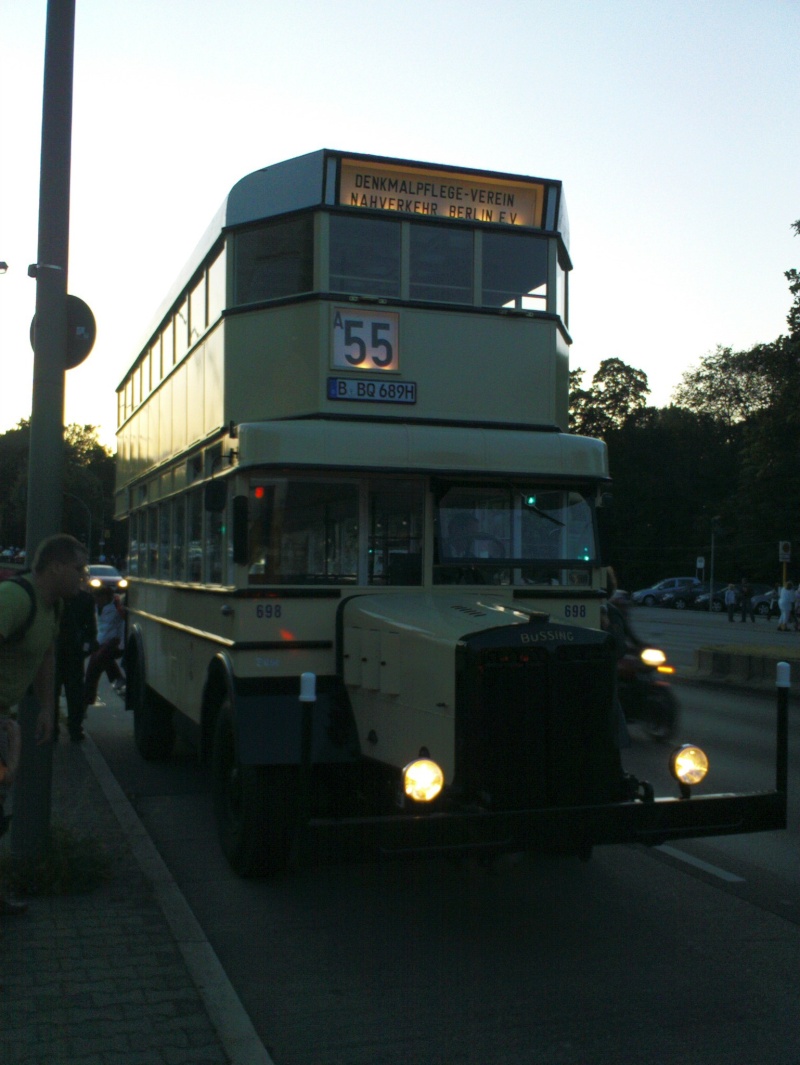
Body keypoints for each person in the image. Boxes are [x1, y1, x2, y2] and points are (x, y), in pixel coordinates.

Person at [0, 533, 87, 916]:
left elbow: (47, 652)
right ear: (54, 567)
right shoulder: (15, 599)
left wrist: (47, 709)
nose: (83, 578)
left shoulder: (54, 608)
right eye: (78, 569)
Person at [54, 582, 97, 743]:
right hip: (74, 651)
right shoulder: (85, 599)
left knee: (54, 691)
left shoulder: (53, 597)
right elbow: (91, 629)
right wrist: (86, 646)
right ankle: (75, 729)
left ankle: (54, 730)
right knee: (74, 692)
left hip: (56, 650)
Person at [83, 586, 126, 709]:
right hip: (100, 642)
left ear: (105, 597)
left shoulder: (116, 606)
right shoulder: (96, 607)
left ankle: (86, 700)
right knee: (96, 667)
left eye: (99, 598)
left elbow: (124, 617)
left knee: (96, 661)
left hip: (115, 642)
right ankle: (118, 681)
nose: (97, 601)